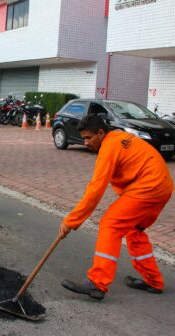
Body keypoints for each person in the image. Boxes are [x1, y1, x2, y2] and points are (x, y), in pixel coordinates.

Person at [60, 113, 173, 300]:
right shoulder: (118, 138)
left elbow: (95, 190)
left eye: (89, 138)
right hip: (162, 187)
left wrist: (71, 221)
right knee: (134, 231)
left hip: (149, 187)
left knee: (110, 224)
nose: (86, 143)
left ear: (101, 132)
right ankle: (153, 281)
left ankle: (97, 282)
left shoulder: (109, 147)